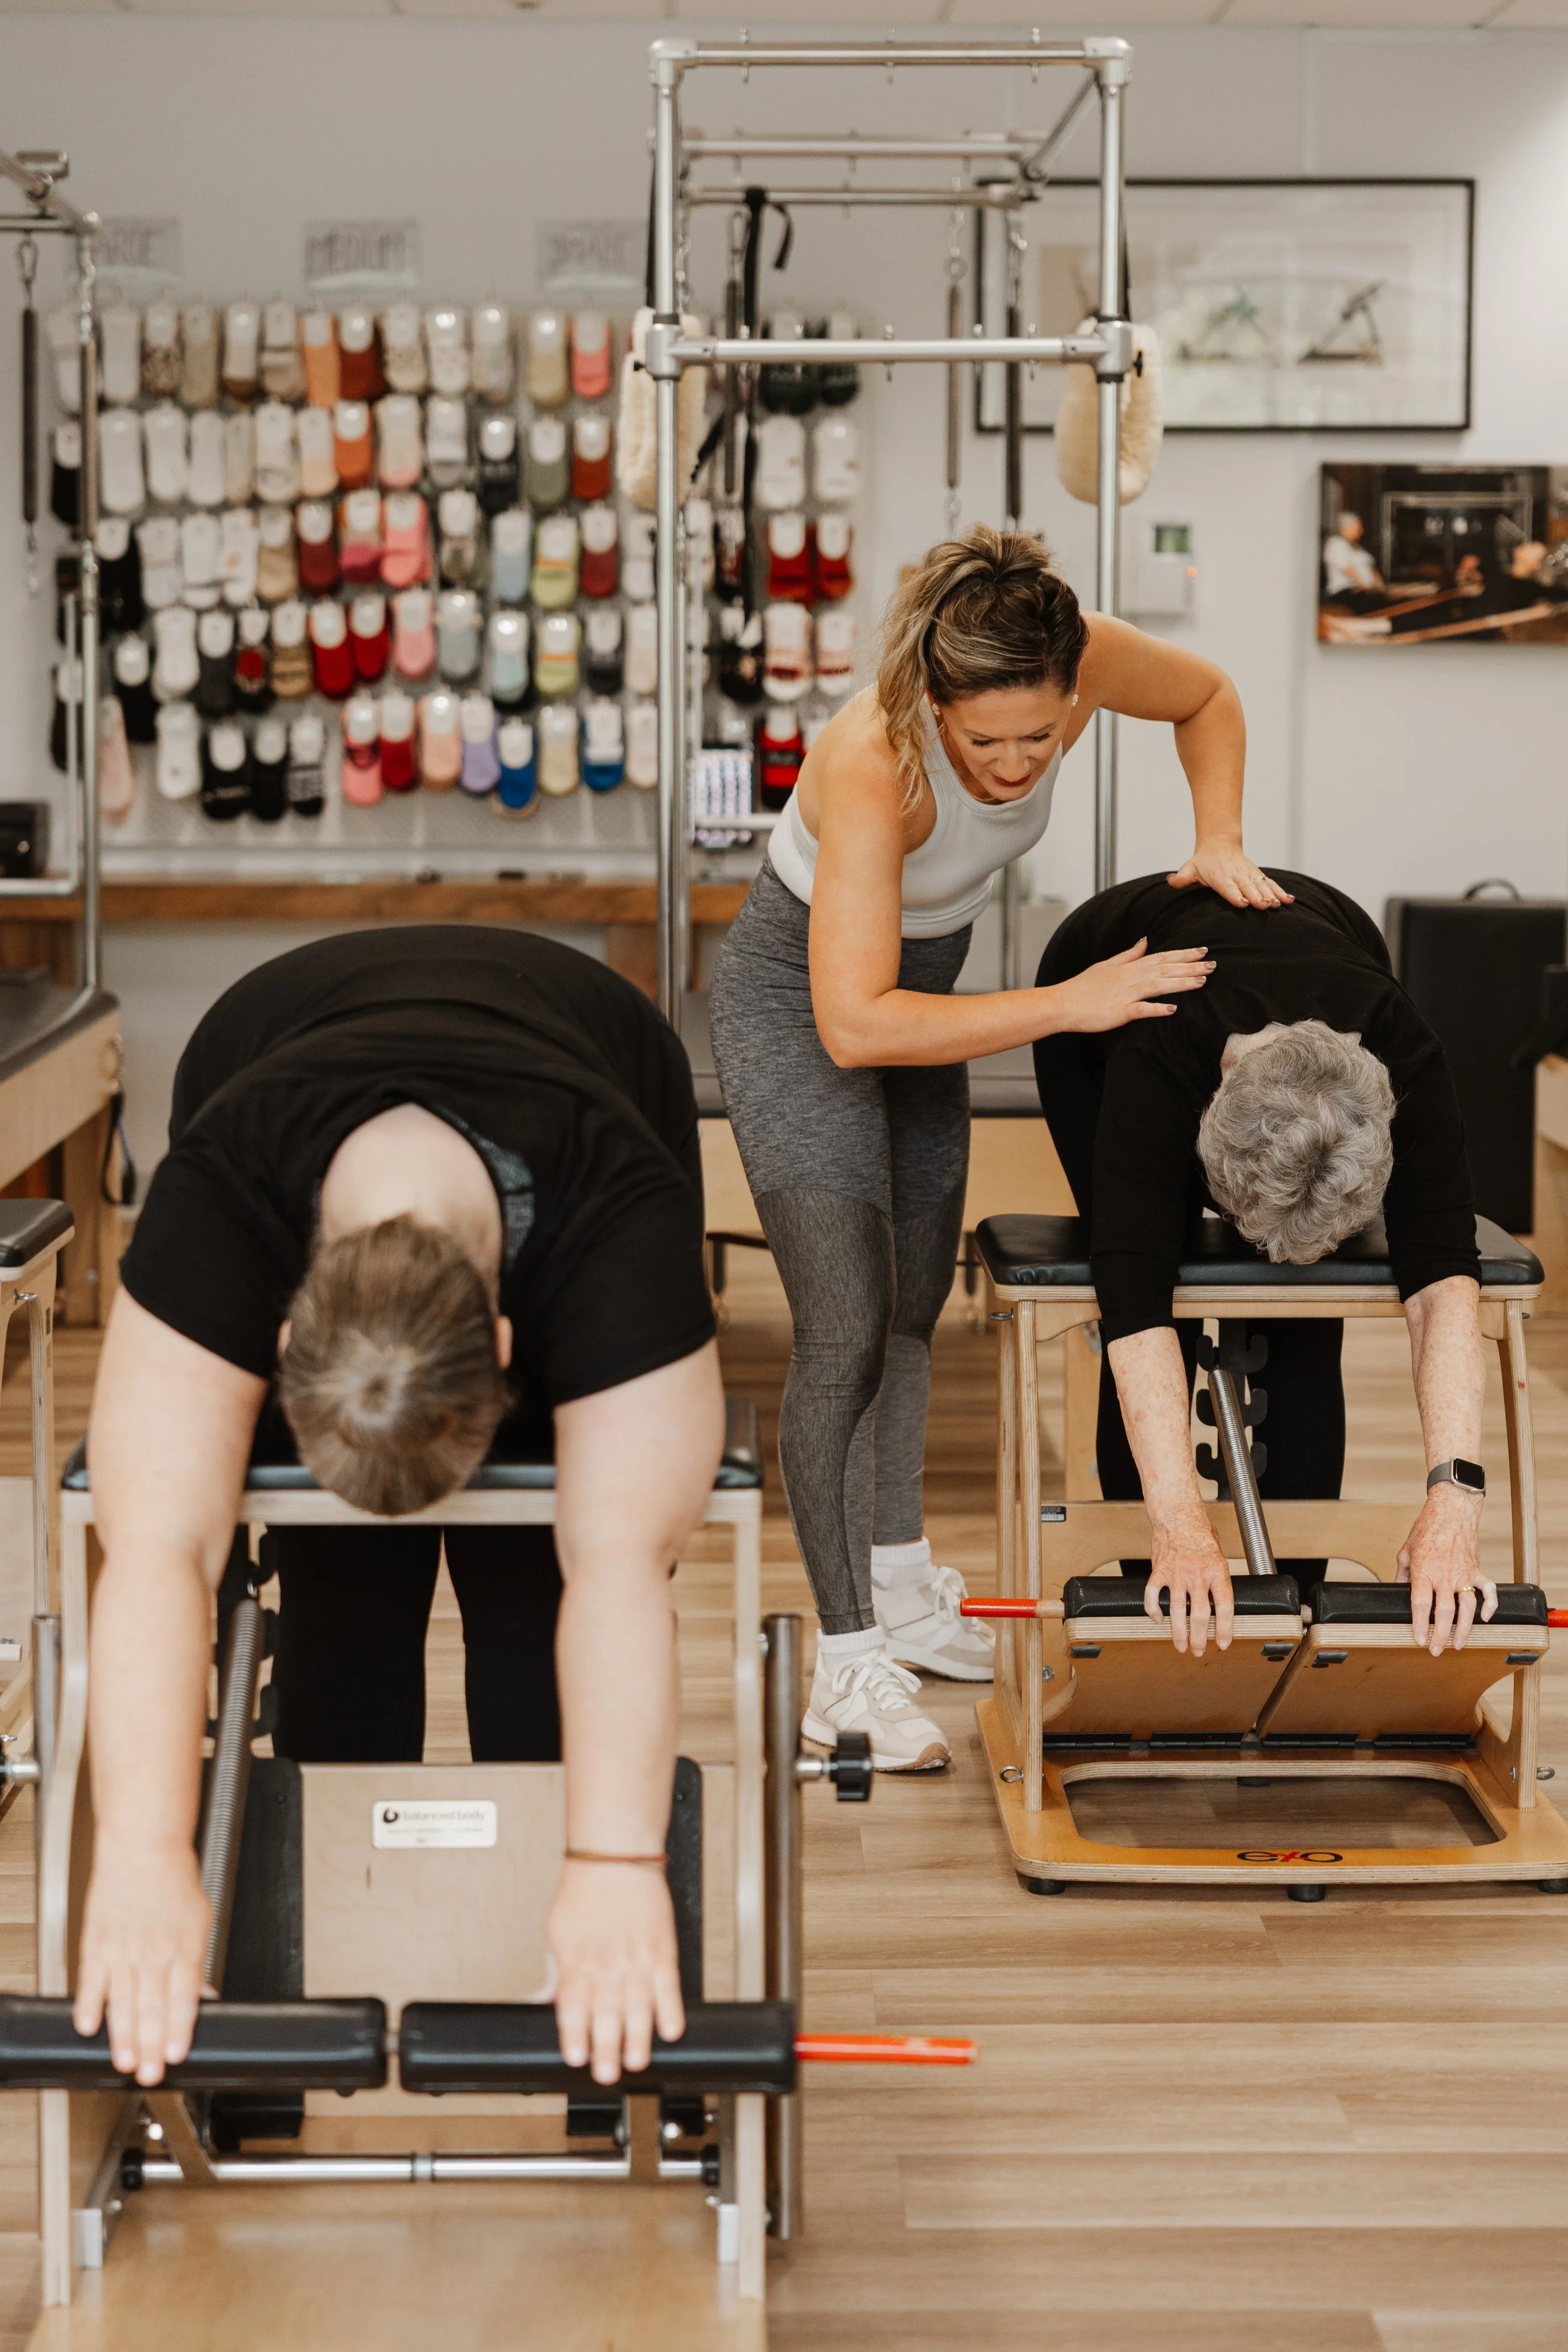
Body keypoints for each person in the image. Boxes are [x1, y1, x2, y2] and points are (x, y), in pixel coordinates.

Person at [73, 926, 724, 2091]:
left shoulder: (616, 1214)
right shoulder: (223, 1199)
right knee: (340, 1609)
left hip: (593, 1046)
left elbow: (622, 1565)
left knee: (545, 1599)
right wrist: (140, 1858)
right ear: (277, 1339)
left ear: (515, 1347)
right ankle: (313, 1951)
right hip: (265, 1029)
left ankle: (573, 1978)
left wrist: (617, 1865)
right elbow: (157, 1553)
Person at [710, 524, 1282, 1772]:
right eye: (988, 745)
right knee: (848, 1319)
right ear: (930, 704)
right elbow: (852, 1023)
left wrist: (1219, 837)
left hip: (929, 996)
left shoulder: (1068, 662)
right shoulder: (873, 755)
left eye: (1043, 736)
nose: (1019, 765)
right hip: (801, 1004)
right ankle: (843, 1665)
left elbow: (1207, 697)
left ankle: (903, 1588)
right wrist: (1066, 1003)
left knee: (918, 1300)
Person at [1034, 870, 1492, 1658]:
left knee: (1301, 1314)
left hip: (1329, 942)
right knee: (1147, 1270)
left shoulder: (1402, 1054)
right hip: (1102, 994)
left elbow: (1443, 1286)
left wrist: (1454, 1501)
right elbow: (1134, 1305)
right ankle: (1169, 1590)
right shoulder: (1159, 1061)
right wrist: (1185, 1527)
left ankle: (1298, 1607)